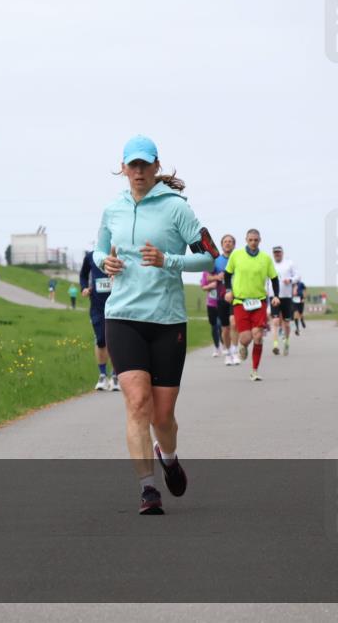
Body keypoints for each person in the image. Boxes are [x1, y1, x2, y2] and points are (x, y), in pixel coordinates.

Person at [95, 135, 216, 515]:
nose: (139, 172)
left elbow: (210, 259)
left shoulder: (177, 209)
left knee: (163, 416)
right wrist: (104, 262)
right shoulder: (112, 209)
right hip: (123, 316)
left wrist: (169, 261)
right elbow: (98, 249)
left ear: (157, 167)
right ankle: (148, 490)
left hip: (166, 320)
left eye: (145, 165)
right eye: (133, 165)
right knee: (137, 403)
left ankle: (170, 457)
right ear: (124, 167)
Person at [223, 229, 280, 382]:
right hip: (240, 302)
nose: (253, 242)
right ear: (246, 240)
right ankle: (242, 345)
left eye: (256, 240)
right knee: (246, 337)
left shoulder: (265, 258)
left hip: (259, 301)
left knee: (258, 336)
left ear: (260, 240)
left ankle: (254, 370)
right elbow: (227, 274)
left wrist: (276, 296)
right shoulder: (237, 255)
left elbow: (274, 278)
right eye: (251, 240)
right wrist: (228, 290)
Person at [80, 250, 118, 391]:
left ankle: (115, 376)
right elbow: (83, 274)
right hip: (97, 306)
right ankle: (102, 375)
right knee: (101, 339)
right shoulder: (91, 256)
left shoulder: (120, 254)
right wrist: (84, 288)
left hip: (118, 305)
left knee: (115, 340)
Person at [213, 234, 240, 365]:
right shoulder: (216, 260)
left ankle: (235, 351)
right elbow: (207, 277)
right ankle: (228, 352)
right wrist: (217, 277)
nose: (228, 243)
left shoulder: (239, 259)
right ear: (222, 244)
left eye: (230, 241)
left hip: (237, 296)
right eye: (225, 241)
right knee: (225, 329)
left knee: (234, 323)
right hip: (221, 296)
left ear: (234, 244)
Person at [270, 246, 300, 356]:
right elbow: (264, 278)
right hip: (273, 296)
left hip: (286, 296)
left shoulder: (289, 263)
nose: (277, 254)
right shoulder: (270, 263)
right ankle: (275, 345)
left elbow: (298, 276)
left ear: (282, 253)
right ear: (273, 254)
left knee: (286, 323)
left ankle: (286, 342)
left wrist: (291, 280)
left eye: (279, 252)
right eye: (275, 253)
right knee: (275, 321)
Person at [200, 269, 223, 356]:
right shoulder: (206, 272)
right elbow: (203, 287)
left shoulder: (220, 271)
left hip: (221, 302)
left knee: (221, 325)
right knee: (214, 327)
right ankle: (216, 347)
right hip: (211, 304)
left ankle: (224, 345)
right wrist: (211, 286)